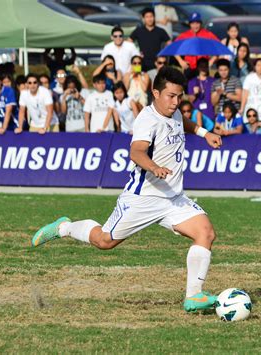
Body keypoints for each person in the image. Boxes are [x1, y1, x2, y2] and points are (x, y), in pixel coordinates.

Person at [31, 66, 223, 314]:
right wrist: (153, 167)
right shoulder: (147, 119)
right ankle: (64, 227)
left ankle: (193, 297)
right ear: (155, 93)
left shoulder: (173, 111)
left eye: (179, 96)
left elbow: (181, 121)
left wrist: (203, 132)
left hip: (173, 199)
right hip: (143, 198)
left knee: (205, 233)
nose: (176, 102)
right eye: (171, 96)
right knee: (104, 241)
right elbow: (136, 151)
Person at [174, 12, 220, 79]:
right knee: (188, 87)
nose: (195, 26)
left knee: (204, 88)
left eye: (197, 23)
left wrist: (211, 61)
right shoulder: (185, 35)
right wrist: (180, 61)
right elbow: (174, 48)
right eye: (193, 23)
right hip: (189, 67)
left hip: (203, 67)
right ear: (189, 24)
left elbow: (219, 46)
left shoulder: (207, 34)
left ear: (201, 23)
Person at [129, 8, 171, 72]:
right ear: (143, 19)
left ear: (154, 17)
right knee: (138, 79)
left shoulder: (160, 31)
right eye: (147, 17)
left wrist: (164, 54)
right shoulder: (138, 31)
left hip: (157, 64)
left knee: (156, 80)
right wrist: (136, 53)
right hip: (141, 64)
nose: (149, 19)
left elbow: (170, 44)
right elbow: (128, 43)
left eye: (151, 16)